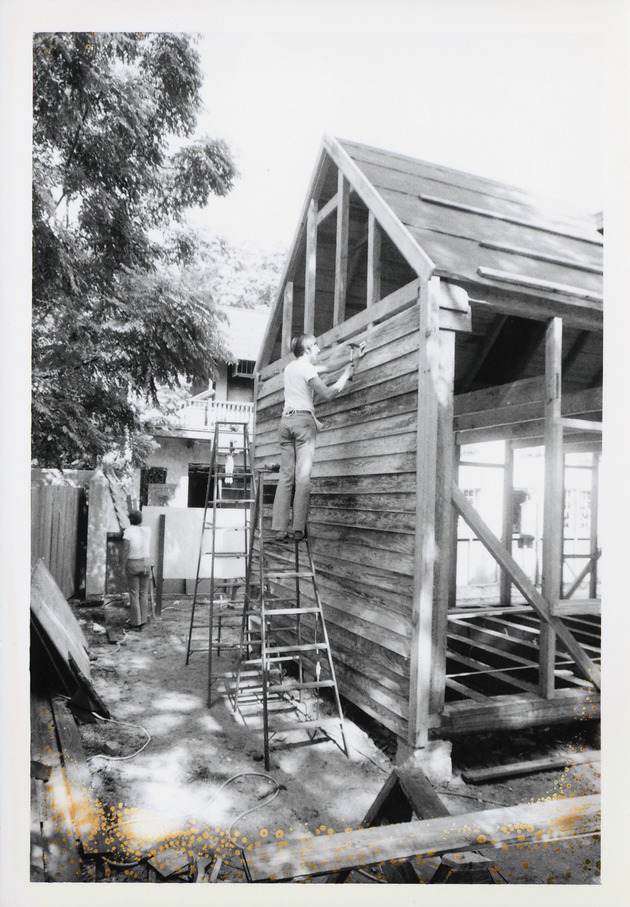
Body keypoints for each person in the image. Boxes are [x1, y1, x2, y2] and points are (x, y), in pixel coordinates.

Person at [271, 333, 363, 542]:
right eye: (316, 347)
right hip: (303, 424)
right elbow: (329, 395)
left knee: (286, 477)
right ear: (308, 349)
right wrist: (346, 376)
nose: (319, 351)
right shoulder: (306, 369)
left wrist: (352, 357)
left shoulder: (292, 367)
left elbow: (328, 367)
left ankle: (279, 528)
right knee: (302, 478)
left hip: (285, 424)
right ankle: (297, 529)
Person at [121, 510, 152, 630]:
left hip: (133, 564)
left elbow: (125, 550)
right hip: (146, 564)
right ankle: (143, 620)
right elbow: (140, 529)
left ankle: (135, 622)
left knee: (134, 594)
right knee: (143, 593)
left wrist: (121, 566)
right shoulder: (147, 530)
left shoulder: (128, 532)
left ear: (130, 520)